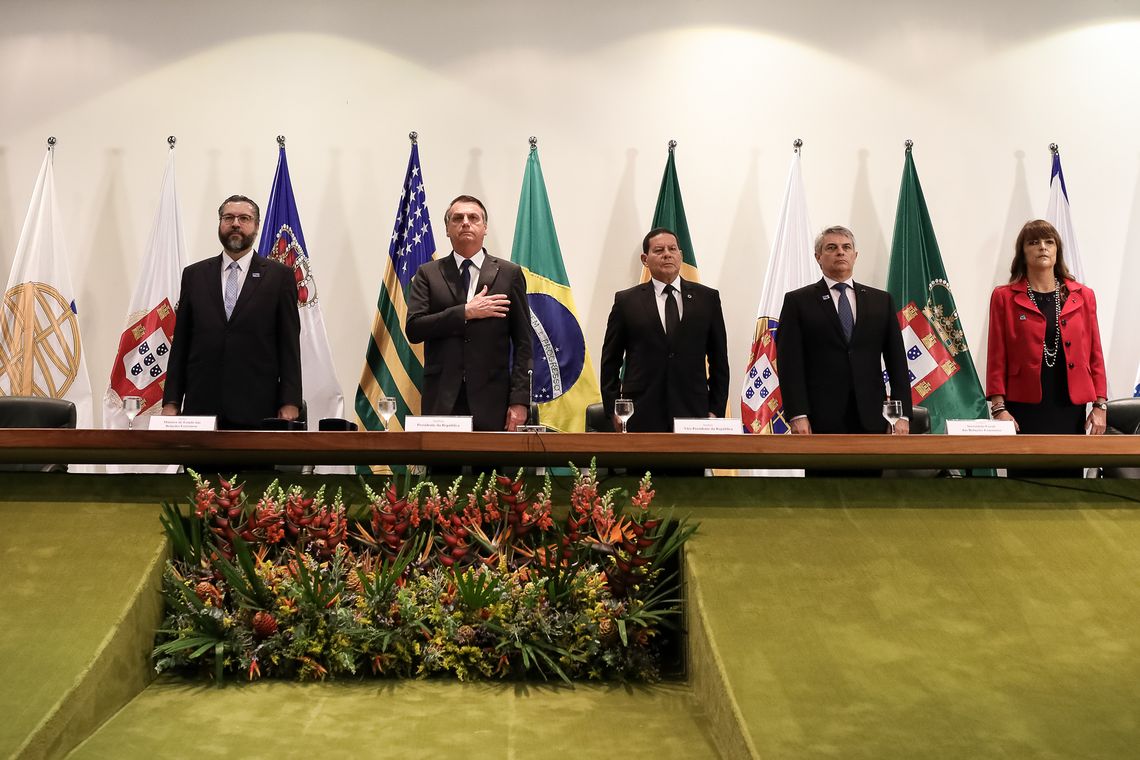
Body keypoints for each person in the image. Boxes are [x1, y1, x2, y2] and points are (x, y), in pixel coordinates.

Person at [162, 195, 302, 429]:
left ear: (256, 226)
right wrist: (172, 401)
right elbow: (181, 344)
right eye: (229, 218)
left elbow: (289, 344)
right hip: (201, 407)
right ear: (220, 224)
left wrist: (290, 401)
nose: (236, 223)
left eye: (244, 218)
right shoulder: (194, 275)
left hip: (258, 407)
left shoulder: (280, 277)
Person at [986, 219, 1107, 477]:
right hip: (1023, 406)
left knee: (1069, 481)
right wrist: (999, 408)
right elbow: (997, 356)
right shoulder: (1004, 297)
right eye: (1034, 242)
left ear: (1057, 250)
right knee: (1025, 483)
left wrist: (1100, 405)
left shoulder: (1083, 296)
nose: (1042, 247)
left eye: (1049, 242)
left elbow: (1095, 353)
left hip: (1069, 405)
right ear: (1023, 252)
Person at [405, 195, 532, 432]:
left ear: (485, 228)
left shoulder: (509, 274)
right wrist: (464, 312)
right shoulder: (428, 273)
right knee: (442, 459)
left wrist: (519, 400)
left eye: (473, 218)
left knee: (490, 459)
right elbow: (414, 328)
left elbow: (524, 343)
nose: (465, 222)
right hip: (442, 398)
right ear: (447, 229)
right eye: (457, 218)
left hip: (493, 400)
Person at [776, 225, 911, 440]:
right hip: (819, 419)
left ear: (855, 256)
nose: (840, 252)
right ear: (818, 257)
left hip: (873, 417)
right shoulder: (798, 301)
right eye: (831, 247)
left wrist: (900, 415)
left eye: (846, 247)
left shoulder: (881, 301)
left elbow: (897, 362)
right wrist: (797, 414)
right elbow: (789, 364)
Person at [599, 227, 730, 432]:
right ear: (645, 259)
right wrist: (614, 410)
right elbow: (610, 361)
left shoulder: (707, 299)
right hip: (641, 414)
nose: (667, 254)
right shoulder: (626, 301)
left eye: (672, 249)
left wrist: (715, 410)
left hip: (694, 414)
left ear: (681, 255)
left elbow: (719, 361)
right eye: (659, 250)